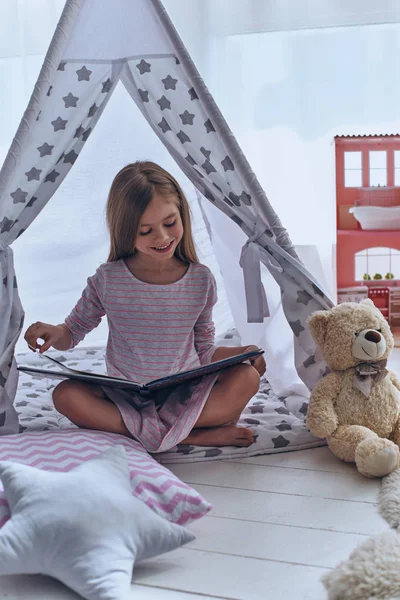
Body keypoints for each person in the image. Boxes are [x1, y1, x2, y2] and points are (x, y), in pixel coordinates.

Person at [24, 161, 266, 453]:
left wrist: (243, 353)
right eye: (146, 231)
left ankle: (151, 432)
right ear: (126, 231)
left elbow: (204, 351)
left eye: (169, 223)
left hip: (184, 392)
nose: (162, 238)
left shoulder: (201, 280)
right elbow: (72, 332)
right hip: (126, 397)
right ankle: (188, 434)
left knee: (247, 377)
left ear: (182, 216)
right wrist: (54, 332)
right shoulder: (108, 278)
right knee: (65, 395)